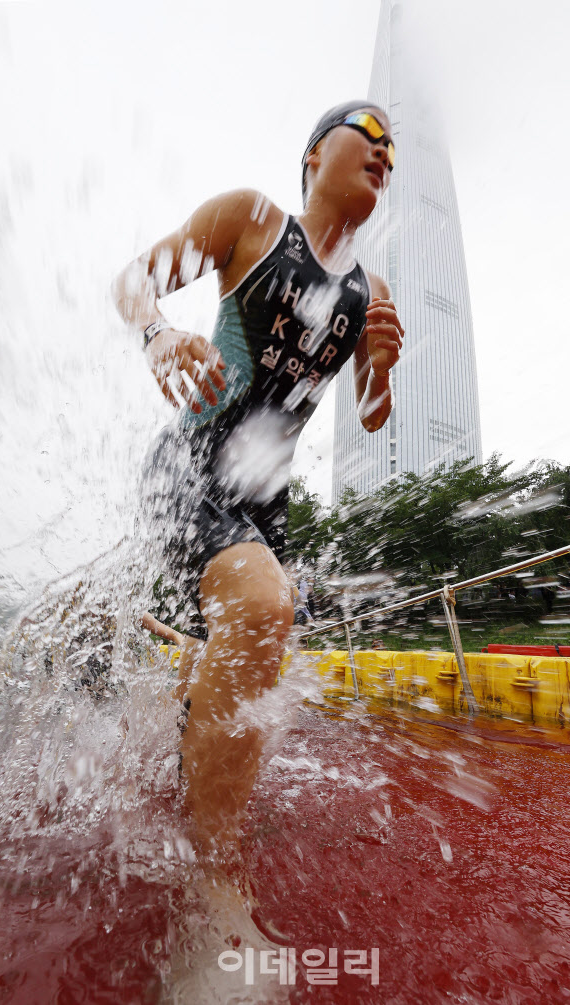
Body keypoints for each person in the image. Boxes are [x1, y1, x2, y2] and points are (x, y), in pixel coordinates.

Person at [114, 101, 404, 863]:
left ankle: (183, 733)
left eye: (392, 149)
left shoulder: (370, 292)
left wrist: (384, 369)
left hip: (266, 502)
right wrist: (161, 333)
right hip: (192, 467)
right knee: (264, 606)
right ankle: (212, 879)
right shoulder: (253, 219)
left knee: (256, 649)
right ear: (314, 156)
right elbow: (136, 278)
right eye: (368, 132)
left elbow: (374, 416)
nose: (385, 151)